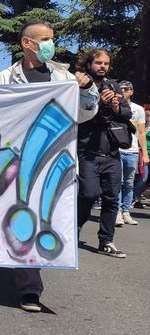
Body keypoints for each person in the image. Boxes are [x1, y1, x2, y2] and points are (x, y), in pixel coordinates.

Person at [0, 19, 98, 313]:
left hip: (56, 164)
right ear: (28, 43)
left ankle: (37, 265)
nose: (52, 43)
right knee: (26, 219)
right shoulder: (5, 78)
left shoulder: (64, 77)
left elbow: (86, 113)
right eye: (46, 38)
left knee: (65, 209)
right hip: (18, 164)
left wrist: (87, 89)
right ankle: (30, 287)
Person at [76, 48, 129, 259]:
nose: (102, 66)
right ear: (89, 63)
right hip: (87, 151)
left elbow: (126, 114)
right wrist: (100, 102)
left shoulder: (113, 85)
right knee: (88, 194)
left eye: (106, 63)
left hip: (112, 152)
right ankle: (74, 230)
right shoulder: (78, 84)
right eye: (98, 62)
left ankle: (106, 240)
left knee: (111, 198)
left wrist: (116, 105)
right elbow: (80, 115)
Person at [115, 80, 147, 226]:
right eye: (120, 88)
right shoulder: (114, 105)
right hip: (117, 149)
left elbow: (141, 133)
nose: (123, 90)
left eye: (126, 88)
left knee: (129, 183)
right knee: (118, 182)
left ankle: (126, 211)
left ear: (131, 91)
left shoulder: (138, 109)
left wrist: (145, 154)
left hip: (133, 150)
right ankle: (117, 213)